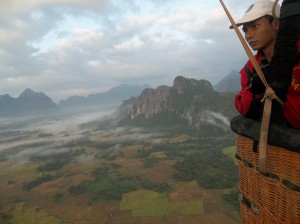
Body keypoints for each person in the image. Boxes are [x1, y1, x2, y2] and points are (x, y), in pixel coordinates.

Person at [234, 0, 300, 130]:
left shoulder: (297, 55)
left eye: (255, 26)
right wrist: (255, 90)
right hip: (287, 141)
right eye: (245, 30)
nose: (248, 35)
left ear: (276, 24)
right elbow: (242, 107)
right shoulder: (251, 68)